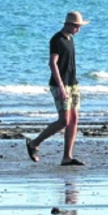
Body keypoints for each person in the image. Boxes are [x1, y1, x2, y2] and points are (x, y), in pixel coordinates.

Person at [26, 10, 89, 166]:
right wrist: (61, 86)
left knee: (74, 119)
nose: (78, 29)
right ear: (68, 24)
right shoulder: (57, 39)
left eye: (79, 26)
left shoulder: (70, 40)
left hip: (73, 83)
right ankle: (34, 143)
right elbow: (52, 63)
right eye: (76, 26)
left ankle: (67, 156)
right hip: (60, 84)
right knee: (63, 120)